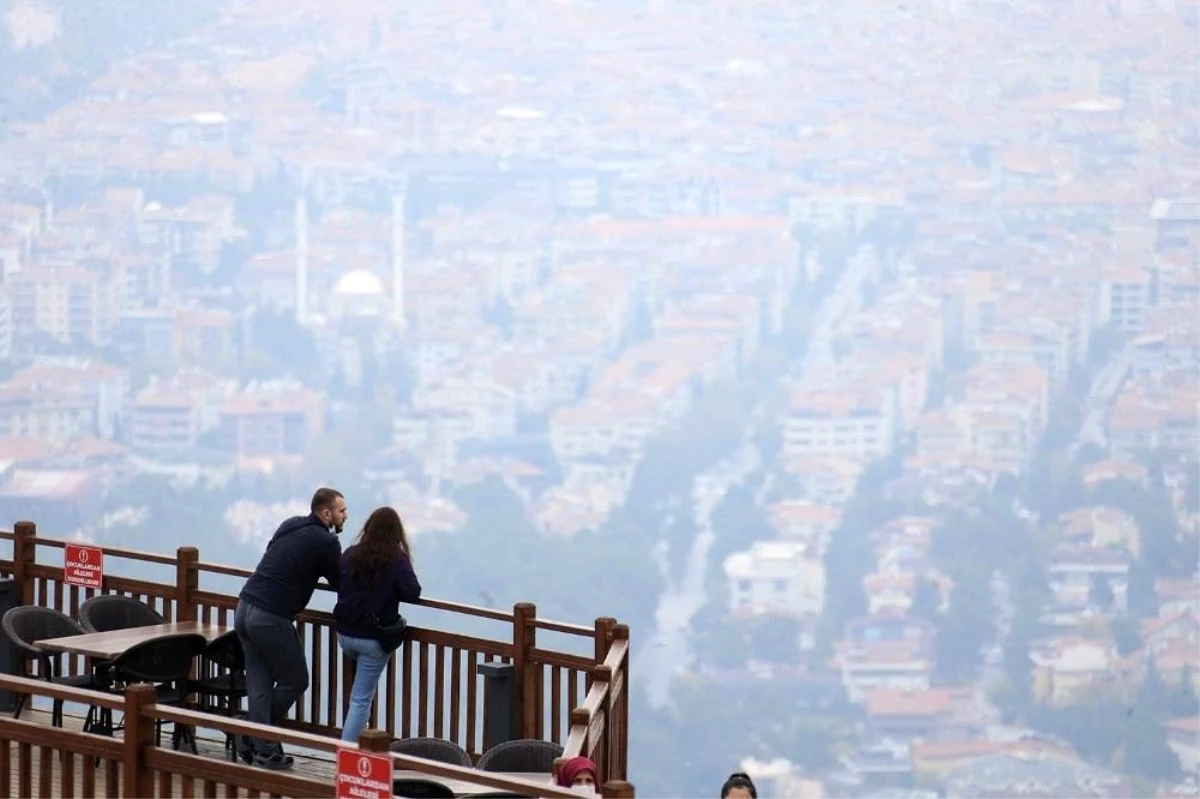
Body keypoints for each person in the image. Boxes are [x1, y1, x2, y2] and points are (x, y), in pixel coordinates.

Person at [235, 487, 347, 770]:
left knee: (259, 681)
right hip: (270, 615)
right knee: (296, 680)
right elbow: (341, 581)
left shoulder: (290, 525)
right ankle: (253, 734)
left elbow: (276, 558)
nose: (346, 516)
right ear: (326, 514)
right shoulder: (327, 542)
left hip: (245, 605)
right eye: (342, 511)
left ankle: (264, 749)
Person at [334, 506, 421, 744]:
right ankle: (347, 757)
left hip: (344, 634)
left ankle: (355, 747)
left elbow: (338, 580)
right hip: (373, 639)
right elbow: (413, 592)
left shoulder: (351, 553)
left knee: (356, 698)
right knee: (361, 700)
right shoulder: (396, 559)